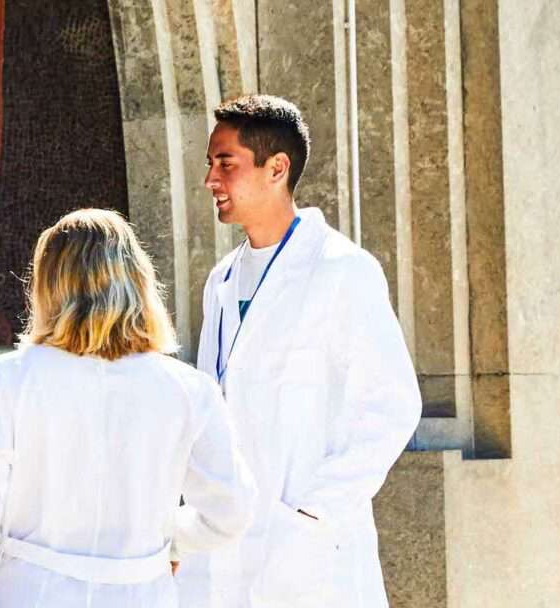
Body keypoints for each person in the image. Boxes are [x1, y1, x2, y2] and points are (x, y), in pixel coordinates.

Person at [0, 208, 255, 607]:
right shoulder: (190, 391)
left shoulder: (8, 379)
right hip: (142, 592)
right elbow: (230, 513)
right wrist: (164, 542)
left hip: (29, 590)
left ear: (48, 285)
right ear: (139, 282)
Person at [174, 94, 422, 607]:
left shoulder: (342, 270)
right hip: (226, 551)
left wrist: (313, 513)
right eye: (209, 164)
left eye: (226, 163)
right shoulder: (220, 281)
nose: (210, 181)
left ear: (276, 168)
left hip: (310, 556)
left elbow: (393, 406)